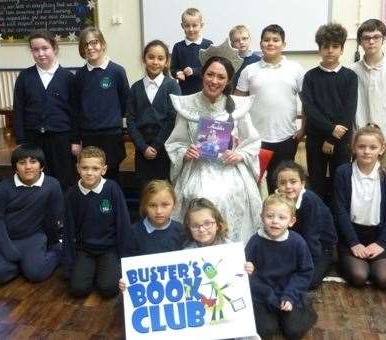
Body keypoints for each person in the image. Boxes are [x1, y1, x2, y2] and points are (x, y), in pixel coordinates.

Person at [165, 40, 262, 243]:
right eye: (210, 74)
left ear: (228, 81)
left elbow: (252, 141)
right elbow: (176, 143)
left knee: (233, 194)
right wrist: (186, 152)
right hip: (198, 168)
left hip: (230, 169)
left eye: (221, 77)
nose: (214, 81)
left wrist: (240, 154)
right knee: (200, 194)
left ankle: (231, 254)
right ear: (203, 75)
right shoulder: (187, 106)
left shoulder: (238, 107)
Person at [235, 24, 305, 194]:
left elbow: (307, 103)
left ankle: (283, 218)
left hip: (286, 137)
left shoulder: (296, 69)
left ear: (284, 44)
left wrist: (303, 128)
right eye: (266, 40)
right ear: (260, 44)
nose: (270, 43)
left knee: (281, 184)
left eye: (275, 40)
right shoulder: (249, 71)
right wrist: (237, 133)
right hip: (255, 139)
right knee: (254, 184)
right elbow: (237, 103)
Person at [333, 125, 386, 289]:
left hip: (377, 236)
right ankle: (342, 259)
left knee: (384, 279)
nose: (367, 151)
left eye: (373, 147)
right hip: (351, 234)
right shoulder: (343, 172)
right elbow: (340, 210)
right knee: (359, 276)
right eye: (361, 146)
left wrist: (382, 243)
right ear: (353, 147)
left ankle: (372, 258)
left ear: (382, 149)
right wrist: (353, 242)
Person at [0, 144, 62, 284]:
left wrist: (54, 242)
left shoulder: (52, 185)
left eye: (33, 162)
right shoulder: (4, 187)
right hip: (7, 237)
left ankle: (55, 254)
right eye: (22, 163)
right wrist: (7, 248)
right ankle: (24, 263)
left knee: (37, 274)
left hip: (33, 236)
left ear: (42, 166)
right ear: (15, 167)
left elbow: (55, 216)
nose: (28, 167)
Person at [245, 193, 317, 340]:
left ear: (291, 221)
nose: (275, 221)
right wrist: (248, 270)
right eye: (270, 216)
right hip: (263, 294)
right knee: (265, 330)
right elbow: (247, 275)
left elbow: (304, 272)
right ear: (261, 217)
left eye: (281, 218)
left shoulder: (297, 242)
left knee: (293, 331)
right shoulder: (254, 242)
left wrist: (290, 296)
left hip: (288, 290)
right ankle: (274, 317)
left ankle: (305, 304)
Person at [63, 146, 132, 298]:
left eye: (95, 168)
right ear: (78, 168)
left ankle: (100, 271)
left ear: (104, 169)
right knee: (78, 289)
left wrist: (125, 262)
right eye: (85, 167)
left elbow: (123, 226)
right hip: (84, 250)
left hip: (109, 249)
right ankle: (90, 270)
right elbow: (68, 231)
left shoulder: (112, 189)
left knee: (108, 289)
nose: (89, 172)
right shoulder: (71, 195)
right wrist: (68, 266)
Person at [13, 29, 77, 189]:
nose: (40, 53)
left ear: (54, 48)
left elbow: (76, 111)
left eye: (45, 48)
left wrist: (75, 140)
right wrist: (20, 141)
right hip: (33, 138)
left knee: (63, 178)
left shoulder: (68, 78)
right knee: (36, 180)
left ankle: (61, 213)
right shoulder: (24, 77)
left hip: (61, 138)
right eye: (35, 50)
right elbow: (18, 110)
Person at [301, 23, 357, 200]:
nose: (330, 51)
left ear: (342, 49)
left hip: (341, 140)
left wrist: (332, 138)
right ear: (320, 49)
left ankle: (337, 223)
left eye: (335, 46)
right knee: (316, 183)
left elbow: (349, 110)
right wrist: (329, 131)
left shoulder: (350, 77)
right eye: (326, 47)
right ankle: (317, 221)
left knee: (339, 183)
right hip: (315, 138)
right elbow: (310, 108)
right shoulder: (310, 76)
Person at [75, 26, 130, 183]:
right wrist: (76, 138)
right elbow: (77, 108)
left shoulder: (117, 71)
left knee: (111, 175)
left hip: (111, 134)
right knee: (91, 176)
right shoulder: (80, 75)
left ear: (103, 45)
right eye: (86, 44)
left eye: (94, 42)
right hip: (88, 135)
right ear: (82, 49)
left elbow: (125, 102)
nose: (91, 47)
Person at [352, 19, 386, 166]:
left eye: (376, 37)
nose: (371, 41)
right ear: (360, 41)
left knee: (385, 176)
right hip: (361, 135)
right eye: (366, 38)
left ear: (383, 39)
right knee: (361, 177)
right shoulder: (353, 70)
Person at [127, 40, 181, 188]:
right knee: (145, 193)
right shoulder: (135, 88)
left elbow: (173, 119)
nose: (155, 62)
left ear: (166, 62)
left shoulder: (172, 86)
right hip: (142, 150)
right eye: (151, 57)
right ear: (144, 59)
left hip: (164, 150)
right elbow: (130, 121)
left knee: (164, 192)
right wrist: (143, 147)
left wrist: (156, 146)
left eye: (160, 58)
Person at [275, 161, 337, 289]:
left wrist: (306, 266)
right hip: (297, 243)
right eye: (282, 183)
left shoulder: (309, 200)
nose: (288, 186)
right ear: (277, 185)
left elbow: (312, 238)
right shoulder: (278, 200)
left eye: (293, 182)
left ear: (302, 183)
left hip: (320, 247)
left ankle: (328, 262)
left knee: (307, 282)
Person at [126, 180, 185, 256]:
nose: (159, 211)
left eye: (165, 205)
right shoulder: (134, 232)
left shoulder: (181, 231)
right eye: (152, 205)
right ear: (145, 206)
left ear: (174, 205)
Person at [170, 8, 213, 95]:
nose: (191, 29)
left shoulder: (209, 45)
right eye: (187, 26)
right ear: (182, 26)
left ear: (201, 25)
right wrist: (177, 73)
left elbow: (211, 69)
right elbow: (173, 68)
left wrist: (194, 71)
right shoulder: (178, 47)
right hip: (184, 91)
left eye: (194, 25)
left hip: (204, 91)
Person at [228, 25, 261, 90]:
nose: (241, 42)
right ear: (232, 44)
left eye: (244, 38)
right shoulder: (228, 61)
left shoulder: (258, 60)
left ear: (250, 39)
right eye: (237, 40)